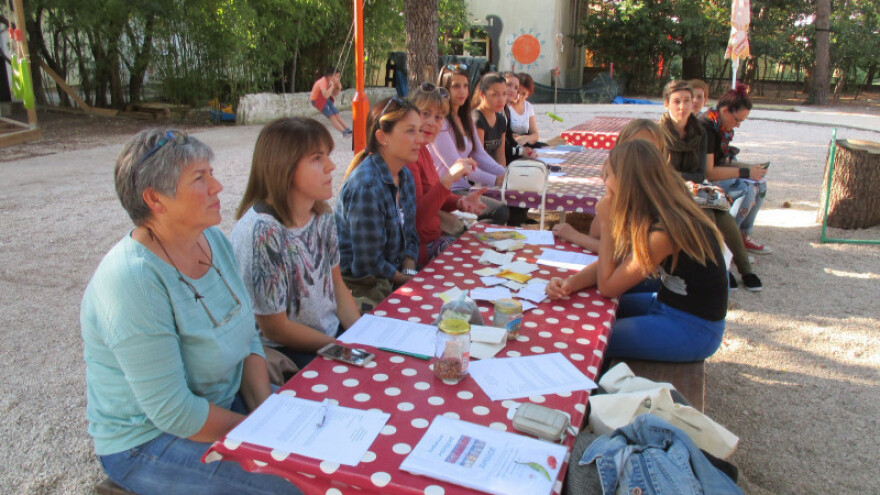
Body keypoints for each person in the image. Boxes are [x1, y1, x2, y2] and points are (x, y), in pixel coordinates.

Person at [81, 129, 302, 494]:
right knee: (292, 485)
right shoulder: (133, 281)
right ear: (154, 199)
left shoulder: (211, 239)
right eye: (200, 178)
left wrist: (266, 411)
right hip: (148, 441)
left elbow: (248, 336)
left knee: (329, 439)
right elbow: (174, 413)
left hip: (219, 407)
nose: (217, 186)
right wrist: (259, 433)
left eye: (210, 173)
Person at [546, 140, 728, 362]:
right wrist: (571, 283)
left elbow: (608, 287)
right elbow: (618, 261)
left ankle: (592, 391)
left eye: (607, 174)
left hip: (693, 328)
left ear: (626, 182)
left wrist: (607, 224)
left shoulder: (663, 231)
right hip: (665, 303)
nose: (604, 181)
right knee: (581, 311)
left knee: (588, 341)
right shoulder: (657, 207)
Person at [230, 118, 361, 369]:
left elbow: (337, 285)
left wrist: (361, 338)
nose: (331, 166)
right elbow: (276, 329)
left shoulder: (321, 216)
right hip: (288, 351)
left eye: (328, 156)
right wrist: (340, 347)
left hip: (330, 336)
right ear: (285, 166)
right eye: (317, 158)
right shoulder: (264, 232)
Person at [660, 80, 762, 292]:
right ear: (666, 104)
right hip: (664, 191)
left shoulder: (699, 131)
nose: (682, 106)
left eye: (687, 101)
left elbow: (700, 173)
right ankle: (720, 271)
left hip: (693, 188)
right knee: (707, 217)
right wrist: (682, 179)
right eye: (677, 101)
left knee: (723, 215)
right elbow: (659, 173)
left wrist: (686, 179)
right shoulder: (658, 132)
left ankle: (745, 270)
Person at [335, 97, 421, 308]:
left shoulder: (404, 176)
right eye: (411, 131)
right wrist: (407, 281)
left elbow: (410, 235)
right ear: (382, 137)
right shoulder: (367, 187)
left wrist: (410, 271)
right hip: (362, 286)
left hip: (391, 279)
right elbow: (368, 265)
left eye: (419, 130)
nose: (420, 139)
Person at [552, 119, 666, 253]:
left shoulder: (657, 198)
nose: (639, 154)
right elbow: (595, 235)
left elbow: (624, 254)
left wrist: (575, 236)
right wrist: (611, 194)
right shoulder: (622, 188)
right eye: (632, 146)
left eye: (648, 148)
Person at [407, 82, 486, 267]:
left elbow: (433, 195)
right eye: (425, 113)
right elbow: (416, 221)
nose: (431, 122)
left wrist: (459, 202)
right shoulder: (409, 156)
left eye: (438, 117)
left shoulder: (423, 150)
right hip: (420, 251)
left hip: (434, 239)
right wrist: (449, 178)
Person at [429, 65, 509, 225]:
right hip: (448, 192)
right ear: (444, 90)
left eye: (466, 86)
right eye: (456, 86)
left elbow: (480, 154)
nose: (462, 91)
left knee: (510, 202)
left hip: (466, 187)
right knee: (500, 211)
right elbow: (457, 167)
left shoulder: (465, 118)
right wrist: (495, 180)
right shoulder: (441, 123)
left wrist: (506, 174)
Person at [699, 83, 771, 254]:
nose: (738, 125)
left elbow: (723, 160)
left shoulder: (722, 127)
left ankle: (742, 236)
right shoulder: (707, 128)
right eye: (737, 120)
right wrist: (745, 172)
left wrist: (751, 168)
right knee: (745, 190)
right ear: (725, 111)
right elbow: (709, 172)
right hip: (701, 180)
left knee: (760, 183)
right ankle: (730, 242)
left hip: (715, 173)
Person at [472, 72, 509, 166]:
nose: (501, 99)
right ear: (482, 95)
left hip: (494, 172)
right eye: (495, 94)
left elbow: (500, 155)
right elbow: (479, 158)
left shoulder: (501, 120)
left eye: (504, 94)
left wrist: (503, 177)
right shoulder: (477, 119)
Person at [310, 66, 352, 137]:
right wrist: (332, 87)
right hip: (317, 100)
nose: (339, 78)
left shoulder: (331, 82)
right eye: (337, 76)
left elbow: (333, 94)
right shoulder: (322, 82)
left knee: (336, 114)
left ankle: (348, 129)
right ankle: (344, 132)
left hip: (324, 99)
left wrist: (338, 88)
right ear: (330, 77)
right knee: (331, 115)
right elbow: (325, 95)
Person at [509, 72, 542, 147]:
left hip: (526, 144)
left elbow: (535, 135)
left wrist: (526, 138)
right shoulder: (506, 107)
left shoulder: (528, 107)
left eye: (523, 94)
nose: (518, 97)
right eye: (517, 91)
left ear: (528, 94)